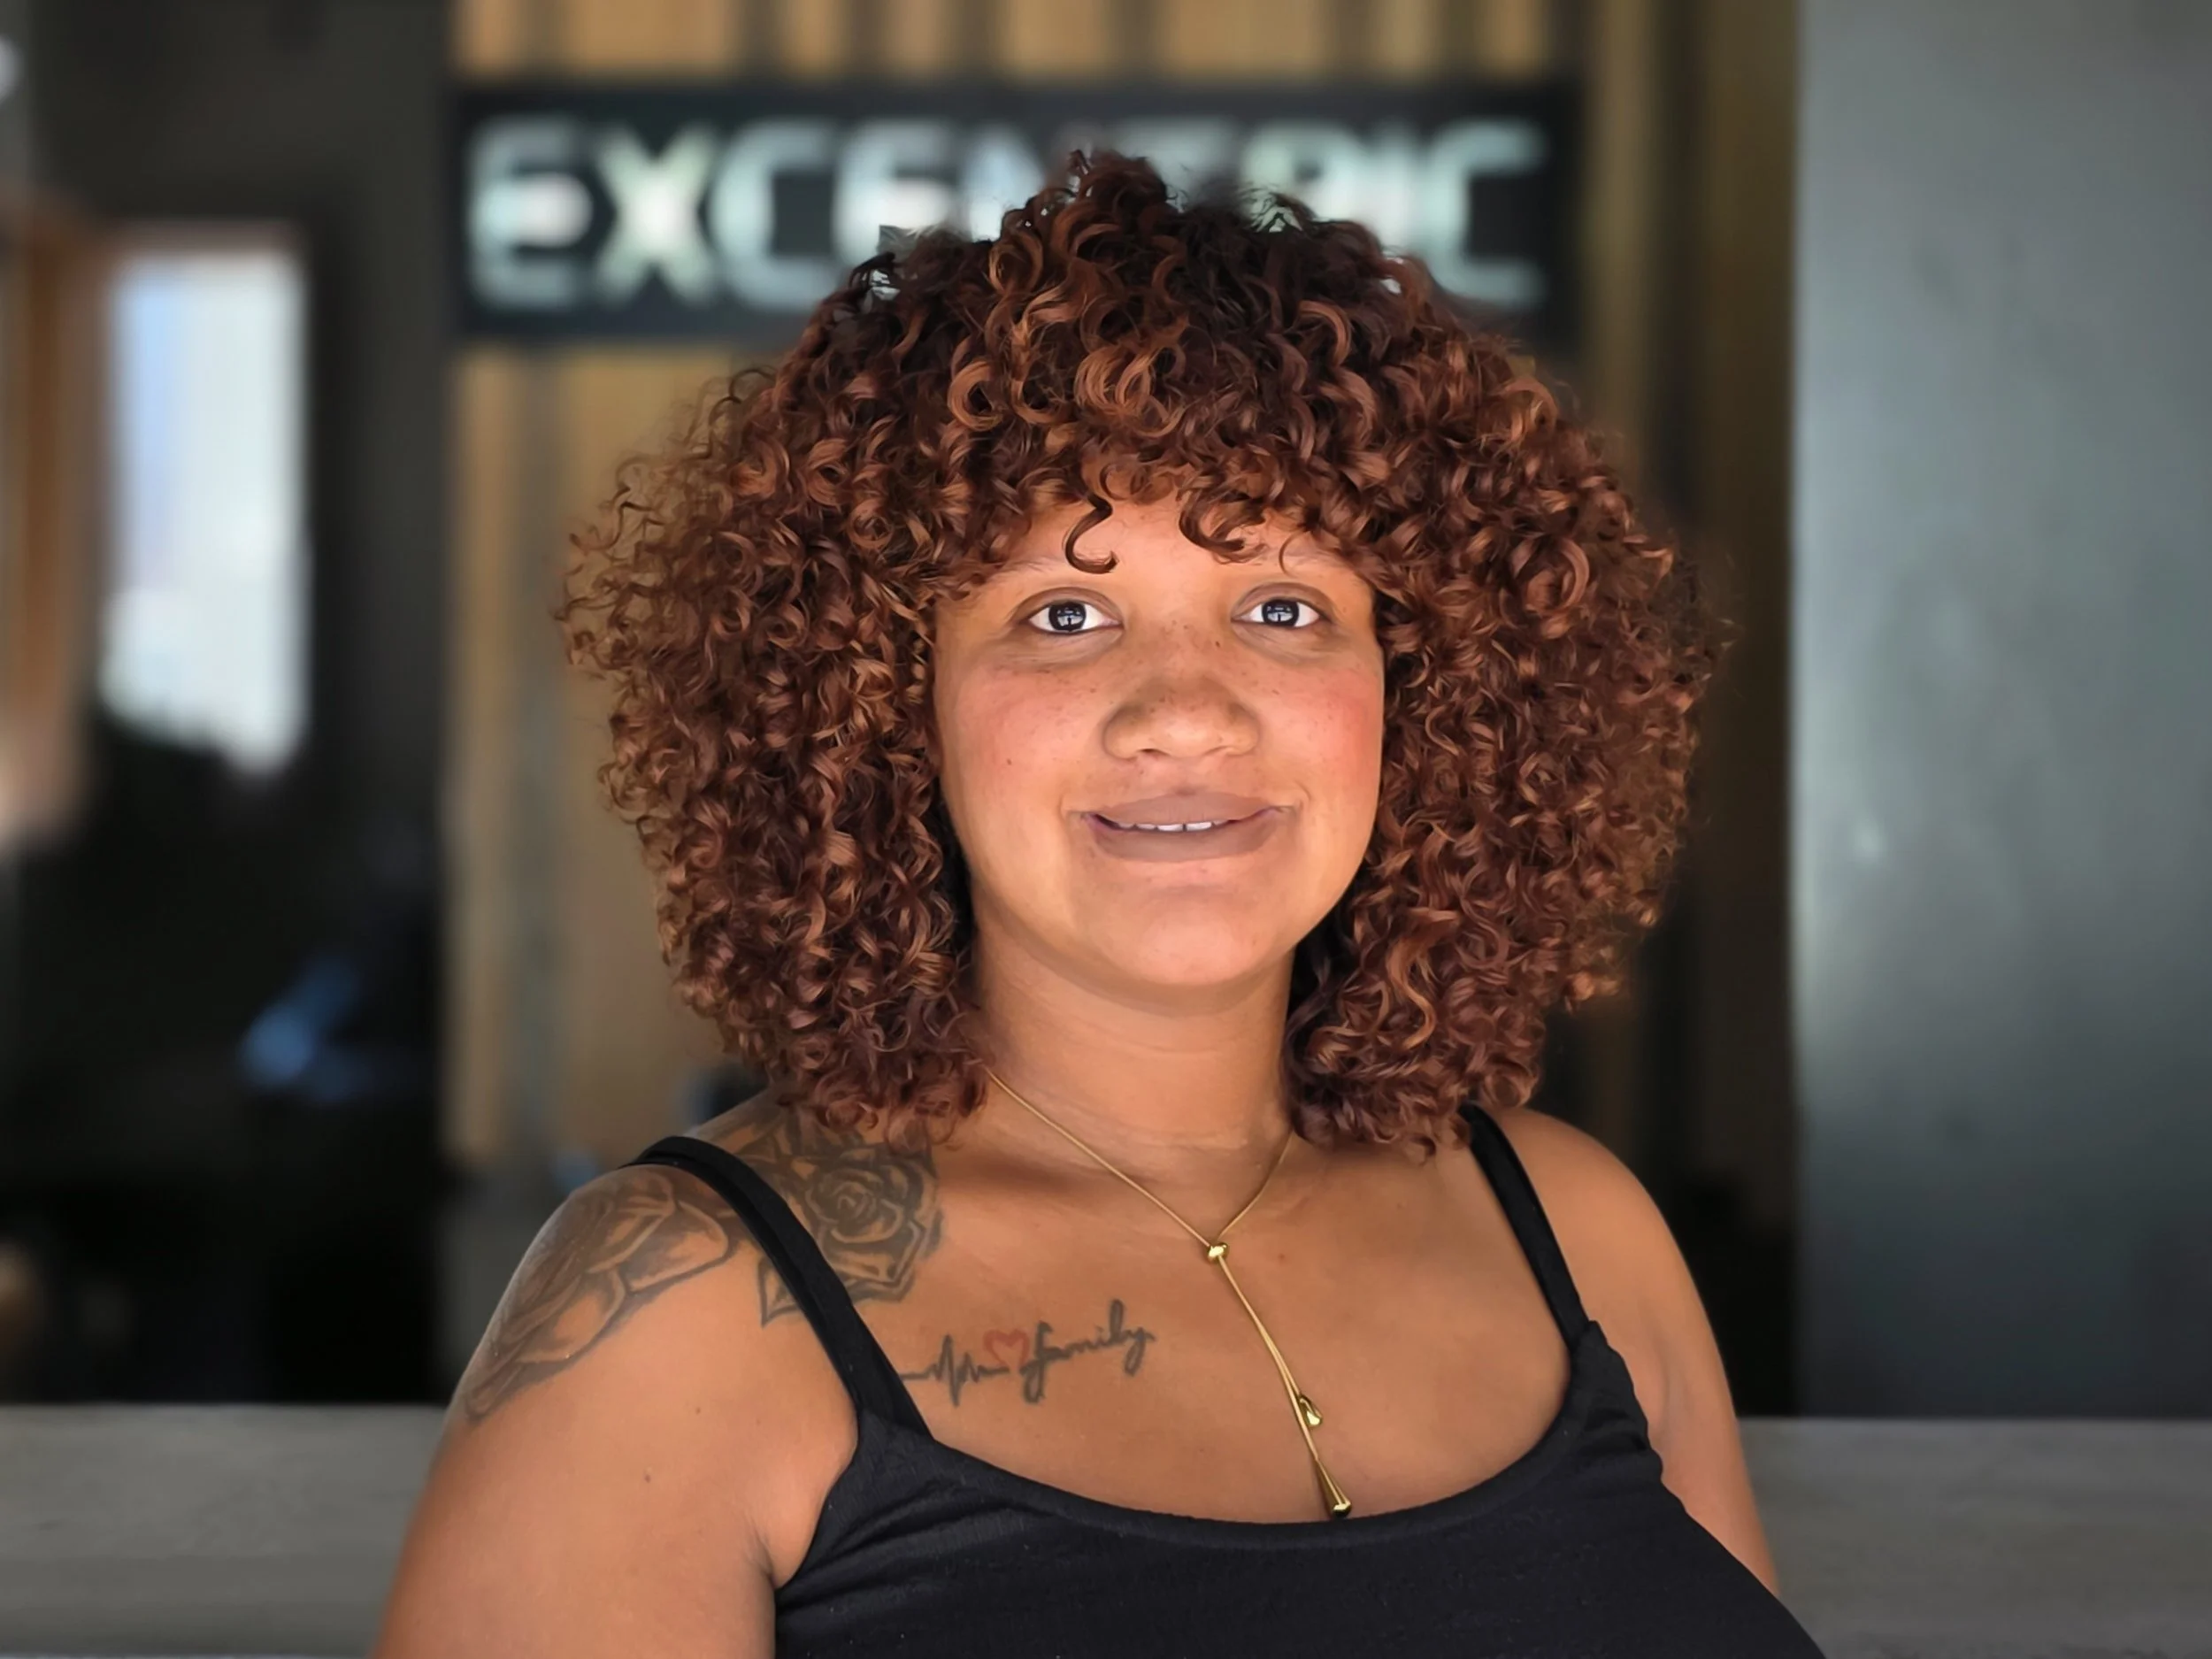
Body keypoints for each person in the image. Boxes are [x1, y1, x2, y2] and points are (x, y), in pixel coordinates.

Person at [374, 151, 1824, 1657]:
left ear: (1427, 690)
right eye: (1064, 614)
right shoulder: (671, 1317)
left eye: (1283, 606)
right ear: (884, 707)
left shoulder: (1581, 1235)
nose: (1185, 710)